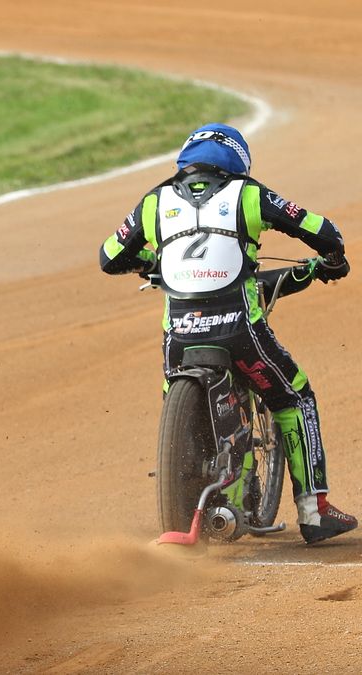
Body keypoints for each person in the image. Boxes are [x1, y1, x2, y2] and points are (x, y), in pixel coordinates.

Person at [99, 123, 357, 545]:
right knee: (295, 396)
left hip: (179, 338)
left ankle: (188, 500)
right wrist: (331, 258)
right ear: (238, 164)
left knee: (175, 396)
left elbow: (109, 257)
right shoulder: (249, 194)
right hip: (239, 330)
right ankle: (314, 510)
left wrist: (153, 262)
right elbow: (325, 232)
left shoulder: (153, 201)